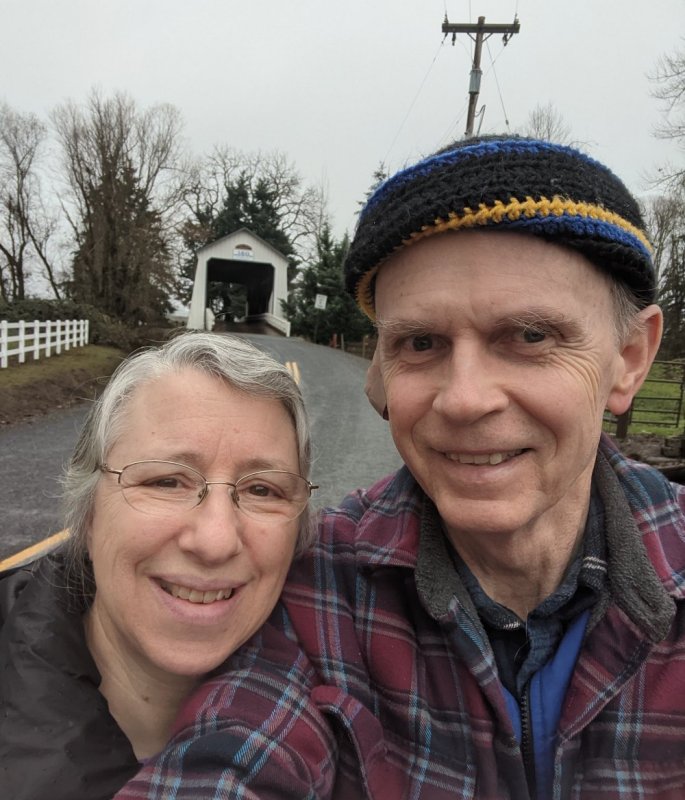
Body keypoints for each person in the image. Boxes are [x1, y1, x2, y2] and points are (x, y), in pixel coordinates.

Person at [117, 137, 685, 800]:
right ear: (381, 377)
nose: (465, 398)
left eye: (529, 337)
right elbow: (232, 757)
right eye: (421, 343)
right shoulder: (318, 592)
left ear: (628, 356)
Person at [0, 331, 317, 800]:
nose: (214, 540)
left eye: (261, 490)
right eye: (167, 481)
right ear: (87, 513)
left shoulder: (345, 712)